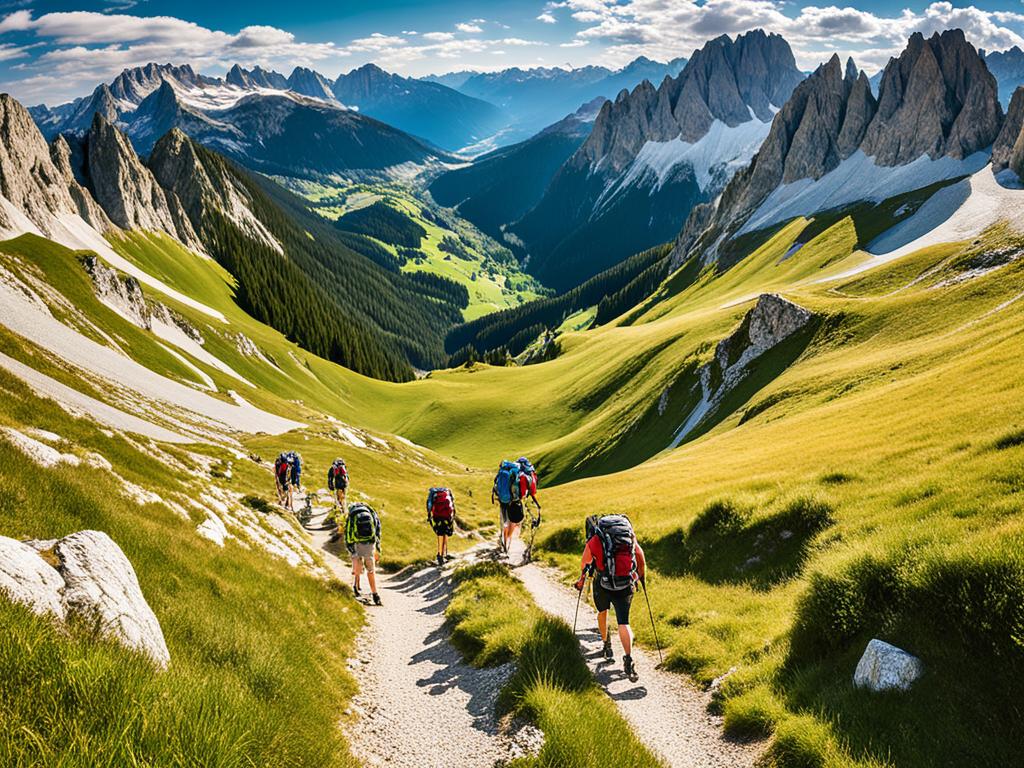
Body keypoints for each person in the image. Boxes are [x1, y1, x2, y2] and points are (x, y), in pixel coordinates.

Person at [574, 514, 647, 682]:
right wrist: (640, 579)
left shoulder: (595, 540)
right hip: (625, 583)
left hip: (603, 583)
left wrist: (581, 580)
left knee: (602, 612)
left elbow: (585, 563)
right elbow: (639, 555)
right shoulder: (628, 536)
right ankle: (628, 658)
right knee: (624, 622)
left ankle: (607, 646)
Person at [345, 502, 382, 606]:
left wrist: (349, 546)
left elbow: (348, 531)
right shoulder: (371, 512)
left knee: (357, 564)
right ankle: (375, 594)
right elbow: (378, 529)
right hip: (370, 543)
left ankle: (356, 587)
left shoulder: (352, 515)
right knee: (371, 570)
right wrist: (378, 547)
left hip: (357, 543)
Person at [492, 459, 523, 555]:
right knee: (512, 521)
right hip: (514, 502)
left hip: (503, 502)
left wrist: (498, 496)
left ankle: (504, 543)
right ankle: (509, 538)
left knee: (504, 522)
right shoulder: (514, 474)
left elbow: (496, 488)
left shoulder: (501, 474)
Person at [426, 486, 456, 567]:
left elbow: (429, 506)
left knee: (440, 534)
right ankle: (445, 554)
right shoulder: (448, 492)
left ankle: (440, 555)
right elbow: (452, 505)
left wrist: (429, 515)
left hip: (437, 516)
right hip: (447, 516)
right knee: (445, 533)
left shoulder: (433, 494)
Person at [326, 458, 349, 541]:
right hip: (344, 485)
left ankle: (341, 514)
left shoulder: (333, 468)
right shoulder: (343, 467)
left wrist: (330, 485)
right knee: (343, 499)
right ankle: (344, 511)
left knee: (339, 500)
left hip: (338, 485)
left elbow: (330, 478)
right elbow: (347, 477)